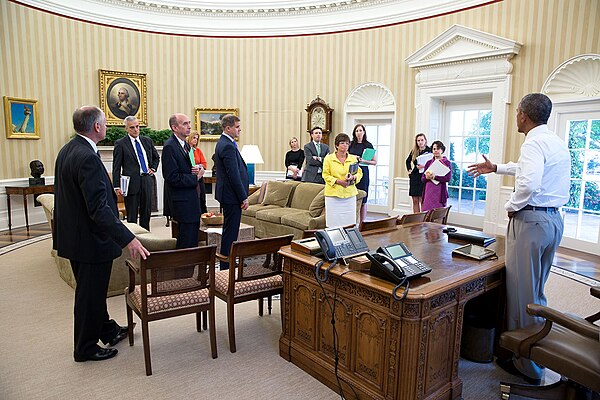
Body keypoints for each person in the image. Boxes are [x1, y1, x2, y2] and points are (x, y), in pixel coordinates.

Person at [467, 93, 570, 384]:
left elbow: (528, 182)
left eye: (517, 113)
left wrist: (511, 206)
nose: (515, 117)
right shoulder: (555, 141)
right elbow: (528, 170)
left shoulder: (533, 142)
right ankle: (535, 349)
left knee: (522, 295)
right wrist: (497, 167)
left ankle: (528, 366)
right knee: (536, 290)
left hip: (532, 221)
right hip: (552, 221)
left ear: (524, 115)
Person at [54, 105, 149, 362]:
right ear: (96, 127)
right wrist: (128, 238)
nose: (107, 126)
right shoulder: (86, 157)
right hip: (89, 241)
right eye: (105, 122)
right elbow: (99, 210)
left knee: (92, 290)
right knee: (89, 295)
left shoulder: (68, 150)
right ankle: (84, 348)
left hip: (75, 237)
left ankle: (107, 330)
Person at [162, 113, 204, 248]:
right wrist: (195, 177)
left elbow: (186, 168)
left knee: (193, 240)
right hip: (182, 203)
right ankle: (183, 269)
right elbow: (171, 177)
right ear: (174, 127)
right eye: (185, 124)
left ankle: (192, 268)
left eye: (189, 123)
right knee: (186, 242)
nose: (189, 127)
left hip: (192, 199)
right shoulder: (170, 146)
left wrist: (196, 169)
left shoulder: (185, 145)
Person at [112, 116, 160, 230]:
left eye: (137, 127)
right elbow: (116, 166)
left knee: (146, 213)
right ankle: (132, 241)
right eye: (132, 127)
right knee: (132, 216)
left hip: (146, 180)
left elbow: (156, 157)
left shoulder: (147, 141)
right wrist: (116, 185)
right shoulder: (121, 143)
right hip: (131, 183)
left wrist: (152, 168)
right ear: (126, 129)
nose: (135, 130)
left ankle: (147, 238)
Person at [214, 114, 249, 270]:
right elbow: (233, 174)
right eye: (237, 126)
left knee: (230, 230)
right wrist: (243, 197)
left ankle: (227, 261)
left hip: (229, 194)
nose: (239, 129)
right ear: (228, 128)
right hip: (232, 196)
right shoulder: (227, 145)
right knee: (230, 231)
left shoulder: (226, 142)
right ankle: (226, 264)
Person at [322, 133, 363, 227]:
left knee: (349, 223)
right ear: (337, 145)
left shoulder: (353, 158)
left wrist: (353, 177)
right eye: (342, 143)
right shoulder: (328, 158)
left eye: (347, 143)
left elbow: (359, 173)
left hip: (349, 195)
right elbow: (325, 175)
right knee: (333, 223)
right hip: (333, 195)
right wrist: (339, 182)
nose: (345, 145)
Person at [348, 124, 376, 224]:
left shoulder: (368, 145)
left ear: (364, 132)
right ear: (354, 133)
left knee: (363, 198)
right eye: (357, 131)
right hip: (352, 171)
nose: (359, 133)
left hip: (364, 171)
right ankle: (352, 222)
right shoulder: (350, 144)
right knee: (353, 197)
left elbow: (374, 162)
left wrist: (363, 160)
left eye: (361, 130)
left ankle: (362, 223)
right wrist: (353, 157)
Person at [421, 140, 452, 212]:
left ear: (442, 150)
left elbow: (448, 178)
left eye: (438, 149)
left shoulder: (447, 162)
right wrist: (427, 177)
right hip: (428, 192)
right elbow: (422, 178)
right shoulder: (428, 162)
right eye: (434, 149)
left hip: (439, 192)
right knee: (426, 214)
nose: (436, 151)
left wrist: (435, 177)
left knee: (438, 214)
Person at [405, 133, 431, 213]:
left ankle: (423, 219)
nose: (420, 142)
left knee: (422, 200)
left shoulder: (429, 150)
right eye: (418, 140)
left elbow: (432, 163)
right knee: (415, 200)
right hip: (415, 176)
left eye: (422, 140)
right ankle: (416, 219)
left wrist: (424, 166)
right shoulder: (414, 151)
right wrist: (409, 171)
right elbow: (407, 161)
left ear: (425, 141)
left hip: (424, 177)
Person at [187, 130, 208, 214]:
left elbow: (204, 164)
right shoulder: (185, 150)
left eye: (197, 138)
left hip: (199, 176)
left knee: (202, 196)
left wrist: (198, 166)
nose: (195, 140)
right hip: (190, 176)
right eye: (194, 138)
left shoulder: (198, 151)